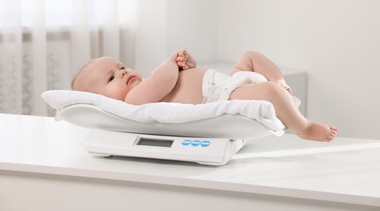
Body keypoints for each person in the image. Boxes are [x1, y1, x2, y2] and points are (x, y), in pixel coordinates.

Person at [72, 50, 338, 142]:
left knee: (250, 56)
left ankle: (279, 79)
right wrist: (169, 63)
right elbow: (166, 79)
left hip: (226, 81)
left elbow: (178, 77)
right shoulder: (133, 100)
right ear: (106, 99)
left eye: (120, 66)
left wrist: (186, 64)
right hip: (224, 96)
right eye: (110, 78)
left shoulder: (145, 83)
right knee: (269, 92)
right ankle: (303, 127)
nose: (122, 72)